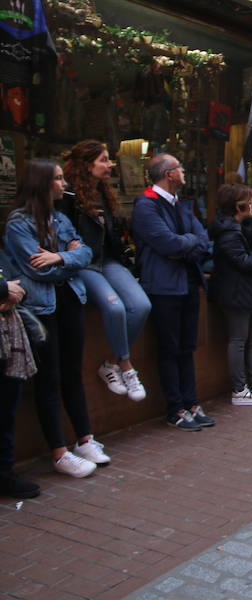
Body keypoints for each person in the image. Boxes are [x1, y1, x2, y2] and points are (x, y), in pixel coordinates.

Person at [4, 159, 107, 477]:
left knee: (72, 372)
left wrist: (61, 255)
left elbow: (86, 253)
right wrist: (67, 258)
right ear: (43, 183)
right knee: (49, 378)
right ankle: (59, 452)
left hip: (71, 300)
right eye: (59, 179)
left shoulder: (60, 218)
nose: (64, 184)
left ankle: (85, 438)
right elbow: (37, 268)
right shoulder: (17, 224)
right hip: (40, 308)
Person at [59, 140, 151, 402]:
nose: (110, 165)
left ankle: (110, 363)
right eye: (104, 160)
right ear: (88, 165)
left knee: (141, 305)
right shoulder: (68, 196)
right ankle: (126, 366)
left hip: (108, 261)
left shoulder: (104, 193)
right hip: (84, 264)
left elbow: (111, 236)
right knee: (114, 308)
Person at [131, 154, 215, 431]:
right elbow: (169, 245)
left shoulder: (180, 204)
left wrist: (187, 244)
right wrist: (187, 244)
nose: (184, 172)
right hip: (164, 287)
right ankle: (175, 409)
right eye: (181, 168)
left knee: (187, 347)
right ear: (169, 174)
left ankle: (192, 403)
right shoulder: (146, 206)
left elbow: (203, 241)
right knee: (170, 348)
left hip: (188, 283)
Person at [209, 184, 252, 405]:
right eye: (247, 202)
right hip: (235, 292)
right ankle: (239, 389)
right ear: (238, 206)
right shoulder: (229, 233)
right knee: (239, 340)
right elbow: (245, 262)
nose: (251, 205)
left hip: (246, 292)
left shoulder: (240, 228)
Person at [0, 247, 40, 497]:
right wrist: (4, 290)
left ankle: (5, 474)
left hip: (7, 337)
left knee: (5, 410)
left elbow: (20, 277)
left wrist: (14, 290)